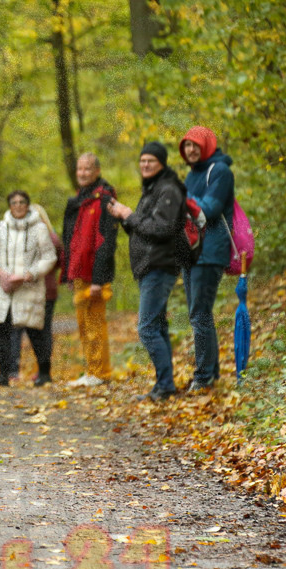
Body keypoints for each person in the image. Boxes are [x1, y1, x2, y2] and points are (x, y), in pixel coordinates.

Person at [107, 142, 186, 402]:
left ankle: (165, 386)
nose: (145, 165)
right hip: (148, 267)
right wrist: (123, 216)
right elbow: (142, 228)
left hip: (159, 266)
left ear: (162, 163)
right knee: (157, 326)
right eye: (142, 161)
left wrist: (130, 215)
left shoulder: (169, 189)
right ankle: (163, 385)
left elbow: (161, 229)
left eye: (151, 161)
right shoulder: (152, 188)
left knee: (147, 328)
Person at [179, 126, 234, 394]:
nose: (190, 150)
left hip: (210, 251)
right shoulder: (192, 174)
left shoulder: (220, 171)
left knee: (199, 314)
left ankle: (203, 377)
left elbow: (210, 209)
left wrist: (180, 199)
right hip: (191, 251)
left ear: (207, 146)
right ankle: (210, 374)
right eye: (186, 146)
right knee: (199, 315)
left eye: (195, 145)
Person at [0, 191, 57, 387]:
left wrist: (28, 275)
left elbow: (49, 257)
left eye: (22, 202)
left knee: (35, 330)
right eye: (14, 202)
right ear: (9, 206)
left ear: (27, 205)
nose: (18, 206)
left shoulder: (39, 229)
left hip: (28, 287)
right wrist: (0, 272)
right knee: (2, 329)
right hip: (4, 288)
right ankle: (3, 373)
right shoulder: (1, 228)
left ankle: (44, 372)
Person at [60, 152, 119, 388]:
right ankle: (90, 369)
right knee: (84, 325)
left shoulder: (104, 199)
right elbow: (70, 240)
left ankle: (100, 371)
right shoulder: (79, 200)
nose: (82, 173)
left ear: (97, 171)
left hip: (95, 274)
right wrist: (68, 273)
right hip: (79, 271)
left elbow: (106, 241)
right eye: (79, 169)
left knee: (95, 324)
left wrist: (98, 279)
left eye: (87, 169)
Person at [8, 203, 62, 386]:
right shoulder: (52, 238)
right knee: (38, 331)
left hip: (42, 291)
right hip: (39, 290)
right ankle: (41, 371)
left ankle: (40, 372)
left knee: (36, 331)